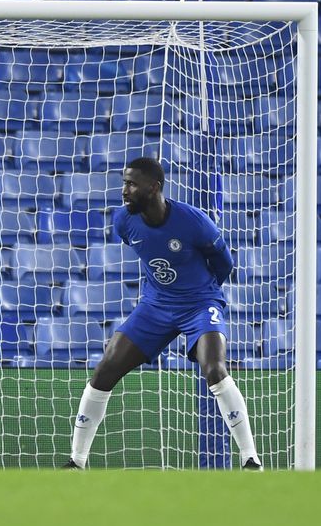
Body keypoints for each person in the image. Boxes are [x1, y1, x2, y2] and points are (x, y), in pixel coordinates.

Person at [64, 157, 262, 470]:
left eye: (131, 184)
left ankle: (250, 459)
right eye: (124, 182)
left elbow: (224, 265)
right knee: (105, 369)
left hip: (200, 304)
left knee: (214, 369)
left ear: (153, 187)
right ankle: (77, 462)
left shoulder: (194, 221)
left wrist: (201, 294)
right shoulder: (124, 221)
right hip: (156, 306)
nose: (124, 190)